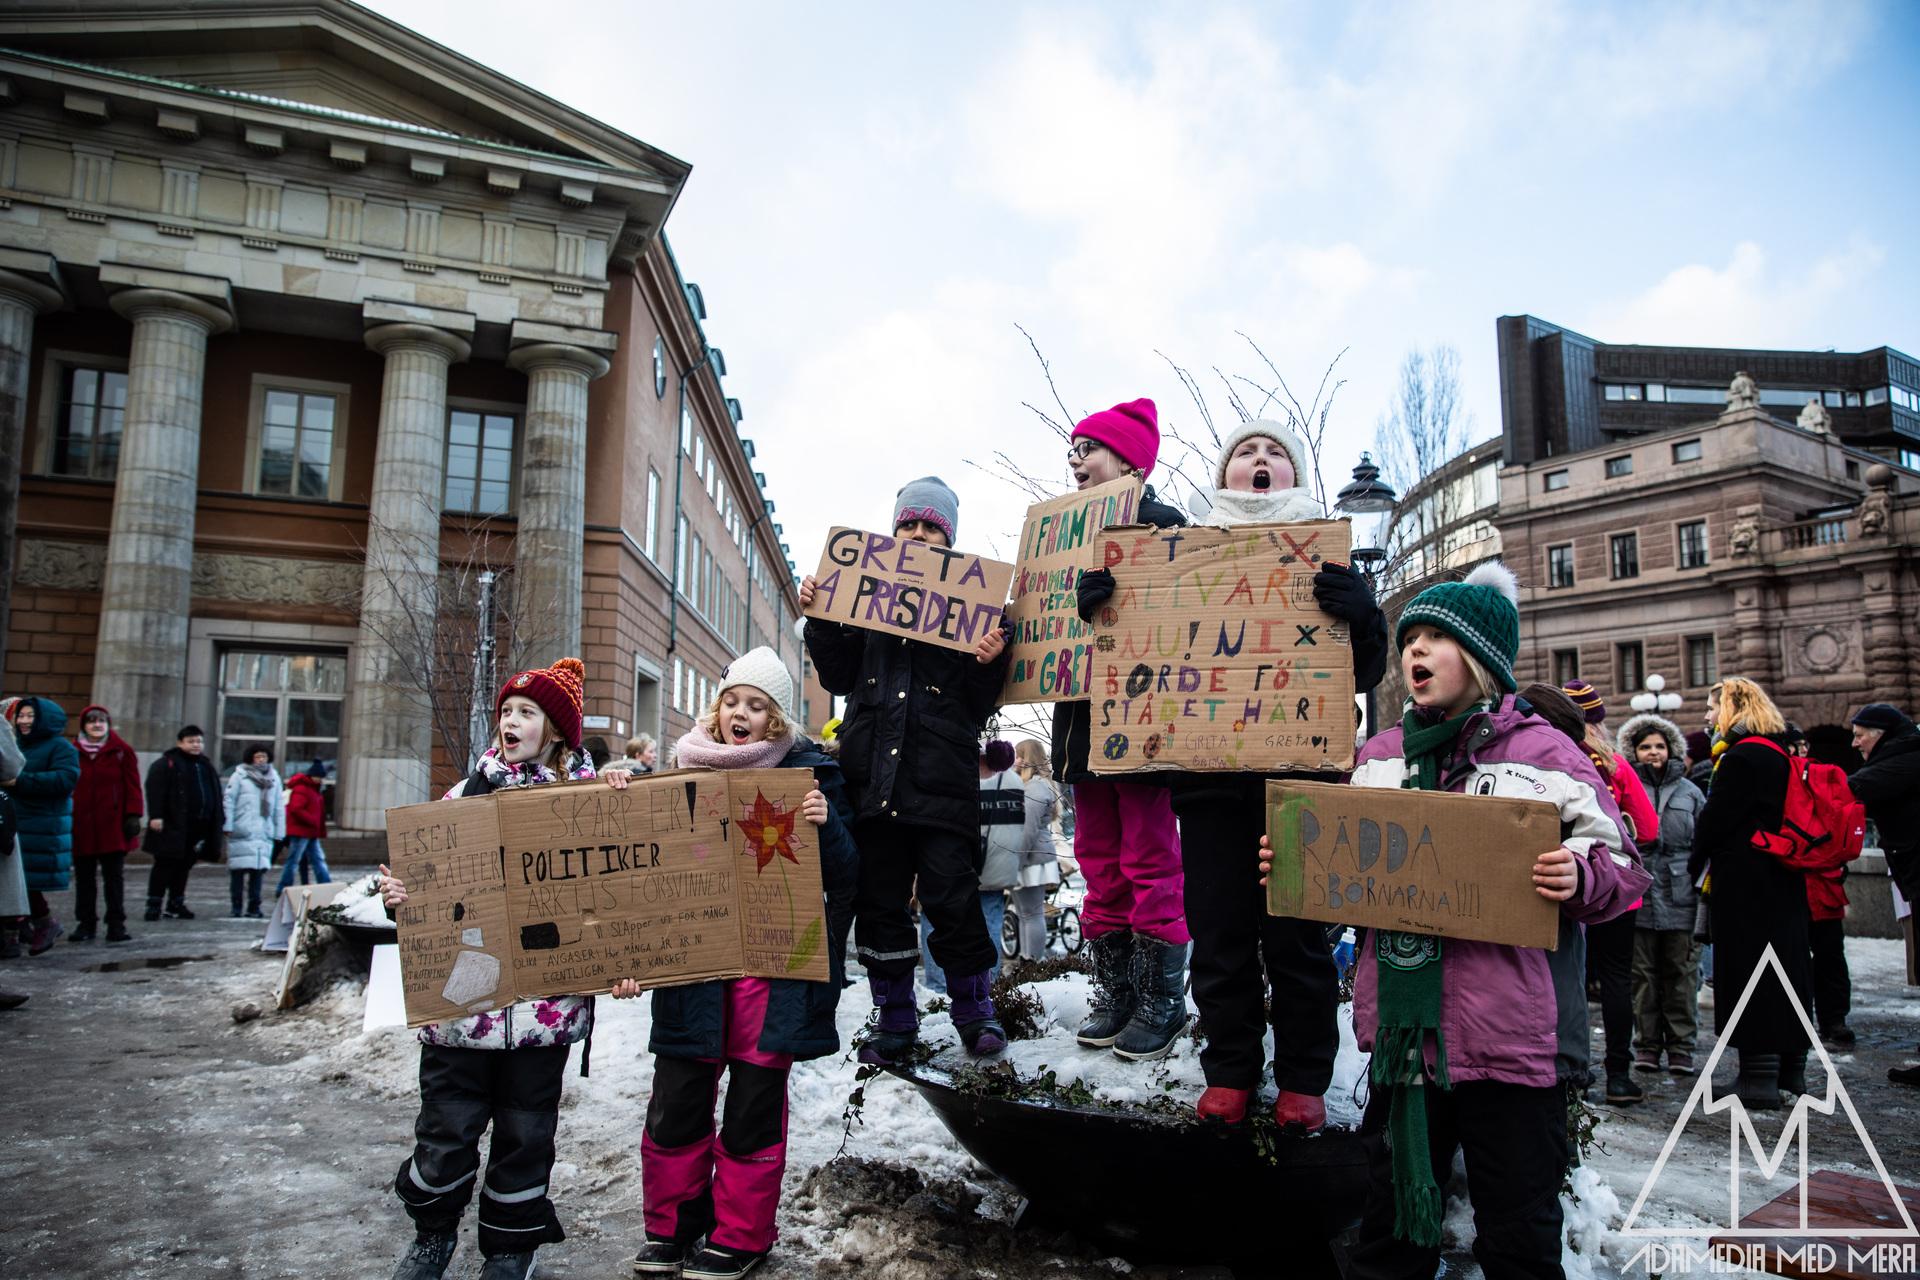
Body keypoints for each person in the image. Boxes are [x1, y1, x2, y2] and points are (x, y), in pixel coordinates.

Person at [1261, 561, 1645, 1280]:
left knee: (1519, 1231)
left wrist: (1578, 873)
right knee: (1391, 1223)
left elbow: (1623, 868)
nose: (1414, 652)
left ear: (1480, 659)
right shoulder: (1377, 758)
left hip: (1511, 1048)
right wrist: (1295, 869)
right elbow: (1341, 881)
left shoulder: (1544, 753)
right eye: (1410, 638)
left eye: (1436, 637)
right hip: (1408, 1049)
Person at [1107, 418, 1386, 1119]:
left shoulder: (1327, 556)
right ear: (1225, 474)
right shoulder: (1176, 558)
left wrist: (1365, 616)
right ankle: (1228, 1070)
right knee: (1221, 935)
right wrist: (1106, 605)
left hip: (1301, 786)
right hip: (1210, 790)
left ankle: (1303, 1081)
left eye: (1274, 454)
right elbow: (1133, 653)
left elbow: (1369, 671)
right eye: (1246, 453)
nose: (1260, 462)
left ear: (1293, 476)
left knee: (1297, 942)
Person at [379, 656, 631, 1280]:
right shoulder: (463, 796)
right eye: (506, 712)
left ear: (556, 732)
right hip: (463, 1012)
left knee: (526, 1135)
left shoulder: (587, 802)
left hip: (543, 1013)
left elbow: (621, 897)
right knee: (447, 1127)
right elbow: (425, 882)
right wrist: (401, 899)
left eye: (528, 713)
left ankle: (511, 1248)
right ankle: (432, 1236)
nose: (511, 721)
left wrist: (621, 963)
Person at [622, 646, 856, 1280]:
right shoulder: (678, 773)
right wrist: (621, 799)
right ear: (717, 708)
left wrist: (826, 824)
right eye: (733, 702)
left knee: (753, 1106)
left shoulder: (811, 778)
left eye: (757, 705)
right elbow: (639, 868)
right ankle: (670, 1229)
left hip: (770, 974)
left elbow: (845, 875)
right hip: (695, 971)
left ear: (776, 719)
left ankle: (742, 1236)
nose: (741, 714)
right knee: (676, 1100)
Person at [800, 476, 1014, 1064]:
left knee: (954, 899)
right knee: (880, 904)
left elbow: (979, 703)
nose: (919, 536)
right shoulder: (862, 608)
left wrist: (990, 662)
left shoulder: (975, 616)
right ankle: (895, 1017)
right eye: (910, 526)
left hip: (942, 788)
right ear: (893, 533)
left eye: (932, 529)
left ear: (949, 543)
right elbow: (839, 677)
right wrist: (821, 619)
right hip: (873, 787)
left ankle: (976, 1012)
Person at [1049, 399, 1193, 1058]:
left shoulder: (1166, 527)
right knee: (1098, 862)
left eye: (1089, 449)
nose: (1076, 461)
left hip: (1143, 732)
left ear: (1131, 460)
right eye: (1072, 452)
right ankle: (1118, 990)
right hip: (1081, 728)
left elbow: (1185, 616)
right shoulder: (1058, 538)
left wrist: (1122, 597)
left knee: (1148, 858)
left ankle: (1162, 995)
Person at [1691, 676, 1810, 1110]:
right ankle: (1791, 1069)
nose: (1707, 716)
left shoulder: (1741, 757)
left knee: (1748, 970)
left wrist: (1695, 863)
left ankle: (1758, 1076)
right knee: (1789, 969)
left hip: (1746, 883)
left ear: (1732, 708)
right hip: (1783, 879)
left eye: (1711, 707)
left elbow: (1716, 820)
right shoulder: (1778, 752)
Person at [1560, 679, 1657, 1105]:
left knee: (1571, 980)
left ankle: (1573, 1070)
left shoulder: (1554, 760)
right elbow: (1649, 828)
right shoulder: (1617, 765)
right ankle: (1619, 1074)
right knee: (1618, 981)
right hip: (1618, 894)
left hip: (1564, 890)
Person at [1616, 712, 1707, 1076]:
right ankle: (1648, 1045)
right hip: (1640, 895)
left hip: (1682, 894)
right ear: (1633, 753)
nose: (1653, 753)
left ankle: (1682, 1047)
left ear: (1671, 750)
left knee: (1682, 974)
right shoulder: (1626, 788)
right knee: (1643, 976)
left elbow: (1703, 843)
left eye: (1659, 746)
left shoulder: (1691, 792)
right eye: (1645, 747)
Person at [1845, 703, 1920, 1086]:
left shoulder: (1906, 757)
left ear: (1882, 733)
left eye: (1861, 734)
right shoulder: (1901, 752)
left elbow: (1855, 788)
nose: (1855, 742)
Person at [9, 696, 79, 953]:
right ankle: (16, 932)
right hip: (17, 820)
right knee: (13, 881)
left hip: (42, 822)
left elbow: (65, 779)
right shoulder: (17, 744)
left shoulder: (60, 747)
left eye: (30, 716)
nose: (24, 721)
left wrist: (20, 782)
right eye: (21, 716)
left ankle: (43, 923)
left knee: (26, 881)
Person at [69, 704, 141, 943]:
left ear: (108, 724)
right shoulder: (72, 751)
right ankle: (86, 924)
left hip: (113, 826)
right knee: (84, 878)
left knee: (114, 878)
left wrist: (133, 815)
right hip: (82, 826)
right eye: (91, 721)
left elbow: (132, 786)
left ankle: (116, 924)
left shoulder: (122, 751)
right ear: (84, 726)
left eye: (101, 721)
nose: (97, 725)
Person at [142, 725, 223, 921]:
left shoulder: (205, 765)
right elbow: (155, 790)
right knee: (164, 864)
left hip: (198, 827)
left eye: (199, 741)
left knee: (184, 865)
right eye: (191, 741)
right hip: (172, 825)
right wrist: (155, 816)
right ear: (180, 743)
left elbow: (215, 793)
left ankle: (176, 903)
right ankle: (154, 904)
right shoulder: (166, 764)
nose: (196, 745)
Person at [1009, 739, 1061, 961]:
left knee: (1031, 914)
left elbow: (1026, 831)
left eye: (1018, 755)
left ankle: (1033, 962)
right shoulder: (1035, 786)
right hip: (1030, 859)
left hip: (1031, 860)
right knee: (1025, 914)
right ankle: (1027, 959)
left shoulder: (1034, 788)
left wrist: (1013, 863)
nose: (1014, 760)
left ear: (1028, 758)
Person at [223, 744, 285, 919]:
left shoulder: (274, 779)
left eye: (264, 757)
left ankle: (254, 906)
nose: (261, 760)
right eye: (257, 757)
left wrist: (279, 831)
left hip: (263, 832)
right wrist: (228, 825)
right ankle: (236, 907)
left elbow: (279, 807)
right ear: (251, 758)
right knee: (238, 872)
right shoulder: (239, 776)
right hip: (242, 829)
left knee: (258, 873)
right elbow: (229, 800)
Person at [276, 761, 333, 893]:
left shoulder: (312, 789)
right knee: (295, 861)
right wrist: (312, 820)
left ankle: (325, 884)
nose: (320, 779)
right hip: (301, 831)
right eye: (318, 776)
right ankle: (283, 887)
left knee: (316, 859)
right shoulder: (303, 788)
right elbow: (296, 808)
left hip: (309, 831)